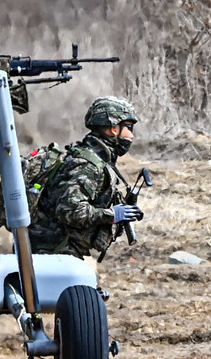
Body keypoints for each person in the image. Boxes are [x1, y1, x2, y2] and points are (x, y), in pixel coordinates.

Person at [28, 96, 143, 259]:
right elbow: (69, 210)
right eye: (129, 128)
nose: (131, 135)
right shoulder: (87, 165)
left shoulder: (98, 161)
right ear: (113, 129)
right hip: (51, 254)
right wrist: (111, 215)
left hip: (58, 253)